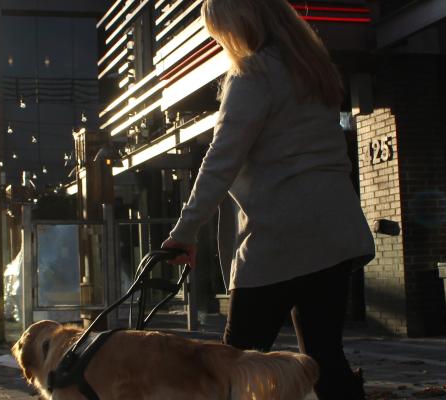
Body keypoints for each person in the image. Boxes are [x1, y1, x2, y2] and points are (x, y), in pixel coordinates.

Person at [160, 0, 376, 398]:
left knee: (231, 363)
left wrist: (184, 232)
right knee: (325, 358)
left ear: (238, 26)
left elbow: (220, 161)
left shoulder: (253, 74)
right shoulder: (314, 68)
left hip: (280, 238)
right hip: (335, 232)